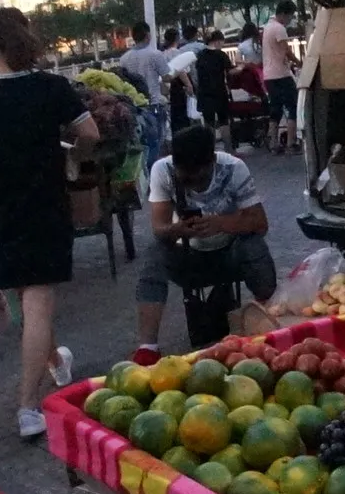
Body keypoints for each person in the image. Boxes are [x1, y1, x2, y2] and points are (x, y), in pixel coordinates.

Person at [0, 6, 99, 440]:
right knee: (35, 303)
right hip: (45, 207)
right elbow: (91, 134)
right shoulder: (52, 88)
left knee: (27, 299)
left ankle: (45, 377)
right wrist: (67, 152)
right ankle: (29, 403)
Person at [134, 122, 276, 357]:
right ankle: (147, 348)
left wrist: (220, 223)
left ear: (211, 162)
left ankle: (272, 316)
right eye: (185, 179)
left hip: (230, 252)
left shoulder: (233, 168)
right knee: (154, 255)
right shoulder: (163, 170)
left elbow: (260, 223)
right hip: (189, 256)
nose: (192, 185)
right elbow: (159, 229)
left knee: (254, 246)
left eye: (197, 179)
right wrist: (180, 229)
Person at [117, 20, 171, 166]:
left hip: (134, 107)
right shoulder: (155, 54)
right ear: (148, 35)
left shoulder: (124, 59)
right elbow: (166, 77)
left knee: (141, 145)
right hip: (153, 103)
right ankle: (154, 176)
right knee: (155, 143)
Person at [260, 7, 300, 151]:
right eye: (290, 16)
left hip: (268, 75)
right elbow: (286, 50)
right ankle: (291, 142)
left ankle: (273, 144)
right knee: (293, 107)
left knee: (275, 108)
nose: (290, 20)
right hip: (281, 74)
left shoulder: (267, 27)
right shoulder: (279, 28)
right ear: (283, 14)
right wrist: (299, 62)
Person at [192, 26, 233, 149]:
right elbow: (230, 72)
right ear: (217, 41)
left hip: (204, 93)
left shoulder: (200, 55)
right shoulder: (221, 55)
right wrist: (241, 68)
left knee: (209, 123)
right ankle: (229, 149)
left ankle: (210, 150)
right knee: (224, 121)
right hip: (219, 91)